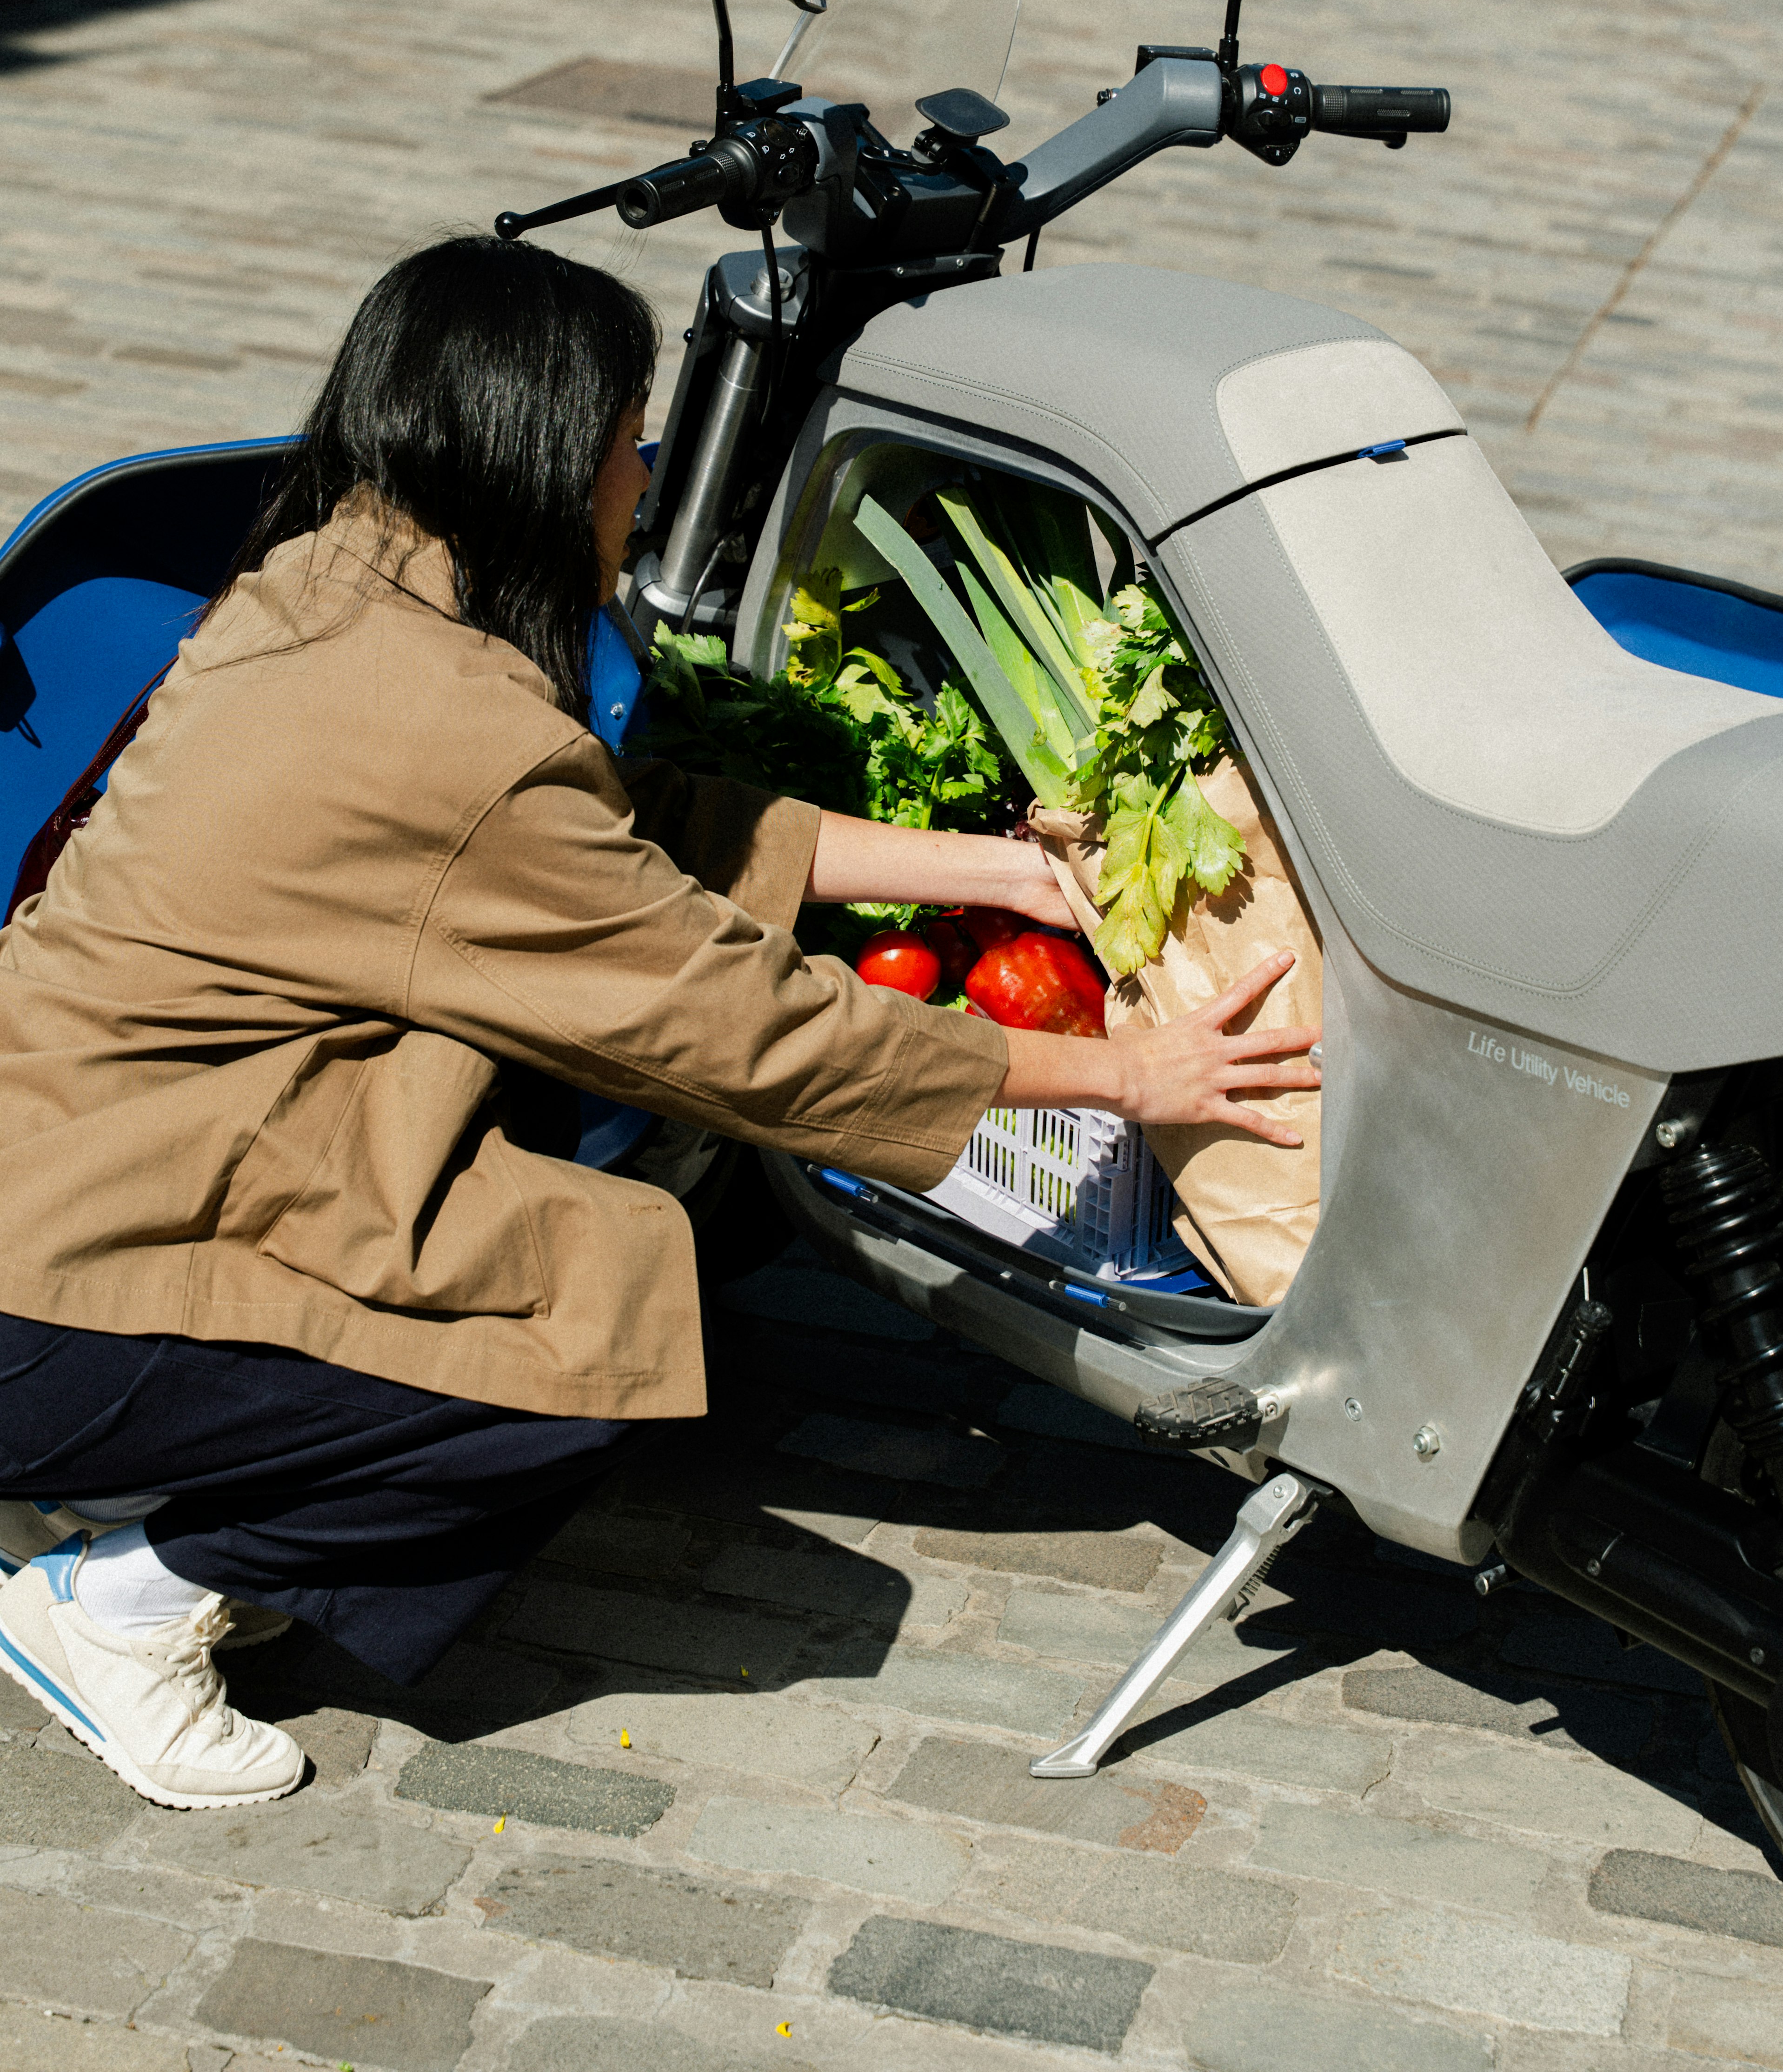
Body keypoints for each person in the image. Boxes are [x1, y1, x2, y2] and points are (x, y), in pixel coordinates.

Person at [0, 233, 1318, 1810]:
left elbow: (634, 831)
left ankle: (151, 1485)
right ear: (542, 457)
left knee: (523, 1207)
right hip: (50, 1286)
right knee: (594, 1322)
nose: (646, 471)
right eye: (631, 438)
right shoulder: (440, 721)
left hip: (84, 1174)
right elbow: (749, 1030)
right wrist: (1123, 1071)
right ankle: (119, 1610)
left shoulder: (336, 584)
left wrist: (997, 870)